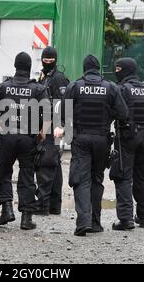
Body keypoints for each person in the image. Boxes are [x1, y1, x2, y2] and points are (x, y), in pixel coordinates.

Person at [55, 55, 128, 236]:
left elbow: (63, 112)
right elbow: (123, 113)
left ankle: (83, 223)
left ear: (84, 68)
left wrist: (67, 127)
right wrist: (108, 116)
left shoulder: (75, 86)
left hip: (81, 139)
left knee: (81, 180)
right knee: (96, 180)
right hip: (102, 139)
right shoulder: (110, 87)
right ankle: (95, 223)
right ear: (98, 69)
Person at [0, 52, 50, 230]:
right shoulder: (38, 88)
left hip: (8, 137)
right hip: (28, 139)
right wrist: (43, 132)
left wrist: (0, 130)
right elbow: (47, 113)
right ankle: (26, 219)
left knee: (1, 172)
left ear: (16, 66)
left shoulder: (3, 87)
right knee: (27, 176)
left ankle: (7, 209)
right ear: (29, 67)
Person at [110, 58, 144, 231]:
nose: (116, 71)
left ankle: (126, 219)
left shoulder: (122, 89)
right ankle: (143, 217)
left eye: (118, 69)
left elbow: (116, 112)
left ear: (125, 70)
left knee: (123, 176)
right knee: (142, 177)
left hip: (127, 137)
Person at [35, 47, 70, 216]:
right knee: (54, 165)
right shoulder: (44, 77)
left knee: (47, 163)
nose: (47, 63)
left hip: (52, 127)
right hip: (46, 125)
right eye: (45, 60)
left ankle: (43, 205)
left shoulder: (59, 79)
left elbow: (62, 105)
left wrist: (59, 126)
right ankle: (54, 206)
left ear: (56, 60)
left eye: (50, 60)